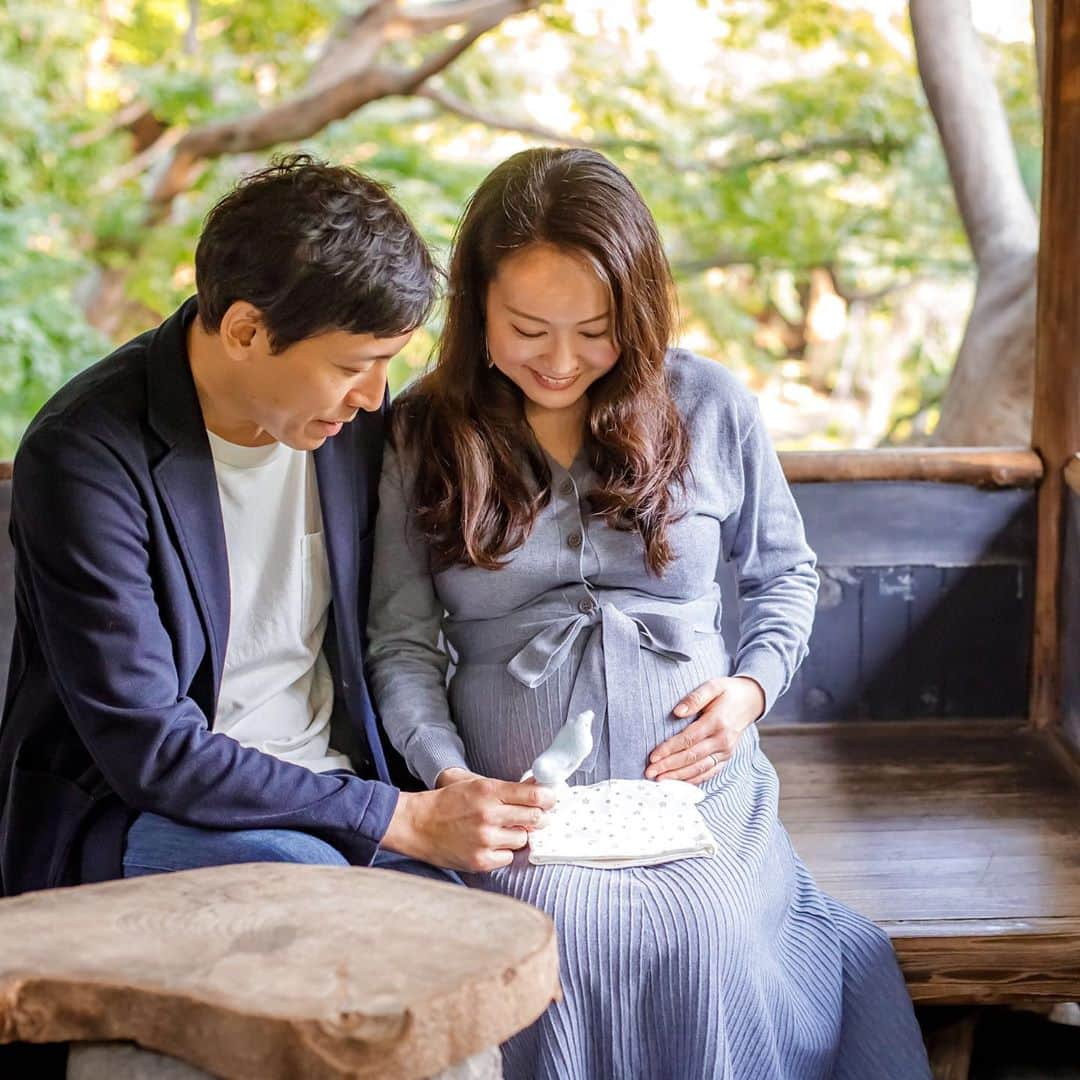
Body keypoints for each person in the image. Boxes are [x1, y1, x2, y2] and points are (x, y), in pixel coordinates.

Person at [366, 147, 932, 1079]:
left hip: (700, 801)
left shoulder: (710, 404)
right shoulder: (424, 429)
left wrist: (746, 694)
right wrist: (451, 778)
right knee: (549, 942)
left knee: (707, 941)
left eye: (594, 331)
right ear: (476, 308)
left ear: (638, 311)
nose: (559, 361)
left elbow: (787, 573)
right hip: (516, 813)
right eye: (526, 328)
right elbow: (398, 643)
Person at [0, 154, 553, 900]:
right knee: (315, 887)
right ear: (245, 330)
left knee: (514, 897)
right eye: (354, 365)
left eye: (388, 362)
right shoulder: (87, 457)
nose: (372, 396)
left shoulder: (348, 424)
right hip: (143, 809)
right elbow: (153, 750)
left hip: (335, 781)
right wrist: (398, 817)